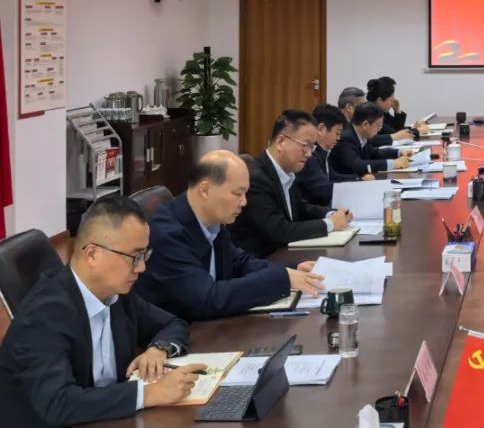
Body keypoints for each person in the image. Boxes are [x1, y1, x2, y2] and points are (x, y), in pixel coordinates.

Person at [0, 197, 203, 427]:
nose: (141, 267)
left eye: (145, 255)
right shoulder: (43, 315)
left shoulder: (117, 294)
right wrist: (149, 393)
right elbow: (58, 403)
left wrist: (159, 348)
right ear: (92, 254)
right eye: (134, 257)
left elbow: (172, 323)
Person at [135, 150, 327, 321]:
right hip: (176, 337)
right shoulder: (167, 233)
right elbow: (207, 299)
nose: (244, 202)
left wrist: (291, 270)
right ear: (205, 190)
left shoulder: (212, 220)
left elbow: (238, 263)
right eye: (238, 194)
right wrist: (280, 279)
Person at [230, 110, 352, 257]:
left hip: (283, 253)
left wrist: (331, 214)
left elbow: (300, 208)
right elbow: (278, 230)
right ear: (281, 142)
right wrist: (330, 224)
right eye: (305, 145)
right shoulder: (256, 179)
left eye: (312, 146)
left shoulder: (286, 171)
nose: (309, 153)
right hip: (261, 260)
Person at [296, 103, 362, 206]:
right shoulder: (309, 156)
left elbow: (331, 176)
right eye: (337, 133)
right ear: (321, 129)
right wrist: (356, 186)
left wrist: (358, 180)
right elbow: (323, 189)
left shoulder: (322, 151)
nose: (338, 138)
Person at [331, 102, 413, 178]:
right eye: (378, 125)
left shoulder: (362, 134)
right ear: (365, 124)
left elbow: (374, 153)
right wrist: (393, 164)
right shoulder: (346, 138)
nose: (379, 129)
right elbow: (358, 165)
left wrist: (398, 152)